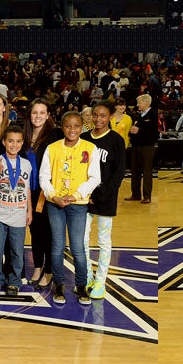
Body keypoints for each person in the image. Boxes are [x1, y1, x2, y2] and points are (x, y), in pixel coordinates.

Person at [39, 111, 101, 305]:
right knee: (57, 246)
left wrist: (75, 195)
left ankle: (81, 286)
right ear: (62, 127)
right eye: (68, 126)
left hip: (78, 205)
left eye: (76, 126)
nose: (72, 130)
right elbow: (44, 177)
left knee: (78, 248)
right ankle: (59, 285)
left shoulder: (91, 148)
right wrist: (54, 196)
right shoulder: (52, 148)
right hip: (55, 204)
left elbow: (95, 178)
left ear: (82, 127)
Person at [81, 101, 126, 299]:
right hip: (84, 197)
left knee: (103, 241)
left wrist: (100, 195)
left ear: (110, 117)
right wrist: (86, 194)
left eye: (103, 116)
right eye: (95, 115)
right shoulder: (83, 138)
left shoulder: (116, 140)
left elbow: (118, 173)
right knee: (81, 240)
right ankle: (87, 277)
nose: (98, 119)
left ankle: (101, 281)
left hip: (106, 198)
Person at [0, 126, 32, 296]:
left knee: (17, 251)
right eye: (10, 141)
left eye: (18, 141)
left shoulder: (26, 164)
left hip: (18, 213)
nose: (14, 144)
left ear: (22, 143)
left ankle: (14, 281)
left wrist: (29, 211)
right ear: (4, 142)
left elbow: (27, 190)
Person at [22, 98, 62, 288]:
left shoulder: (55, 135)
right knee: (35, 230)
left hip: (46, 191)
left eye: (41, 113)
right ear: (30, 115)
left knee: (47, 232)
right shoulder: (25, 136)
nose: (37, 116)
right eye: (34, 112)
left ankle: (48, 270)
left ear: (48, 116)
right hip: (28, 190)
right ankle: (37, 266)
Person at [125, 94, 158, 204]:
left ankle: (147, 196)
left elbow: (155, 132)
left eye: (139, 102)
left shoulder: (154, 114)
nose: (137, 105)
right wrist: (132, 131)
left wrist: (140, 131)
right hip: (135, 146)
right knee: (135, 171)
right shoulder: (138, 115)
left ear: (146, 102)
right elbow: (134, 131)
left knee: (147, 172)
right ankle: (135, 194)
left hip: (147, 147)